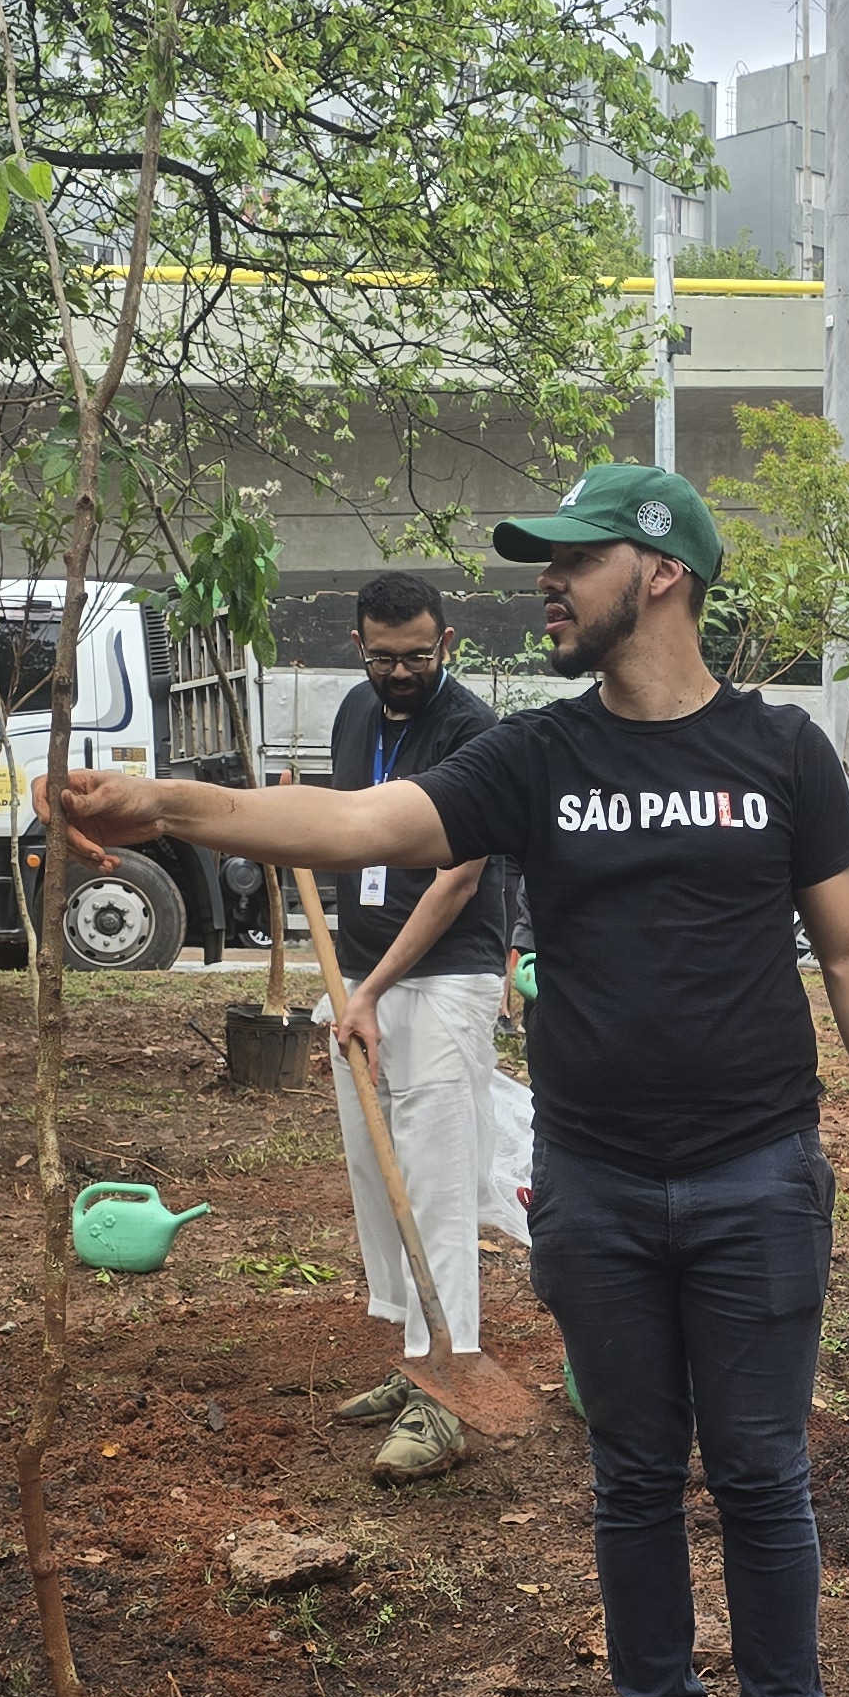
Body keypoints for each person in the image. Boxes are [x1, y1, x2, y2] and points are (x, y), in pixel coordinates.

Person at [46, 463, 849, 1697]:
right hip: (594, 1181)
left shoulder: (781, 752)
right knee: (635, 1478)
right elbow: (361, 829)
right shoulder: (537, 757)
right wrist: (173, 805)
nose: (544, 581)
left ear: (659, 571)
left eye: (570, 559)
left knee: (762, 1479)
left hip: (758, 1179)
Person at [318, 571, 531, 1483]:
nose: (398, 673)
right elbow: (341, 832)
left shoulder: (473, 732)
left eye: (416, 656)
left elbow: (457, 878)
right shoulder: (352, 719)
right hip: (360, 975)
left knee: (436, 1181)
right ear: (359, 644)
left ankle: (448, 1392)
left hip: (444, 978)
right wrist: (350, 982)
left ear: (447, 642)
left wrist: (375, 987)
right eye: (381, 656)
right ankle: (417, 1359)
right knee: (378, 1170)